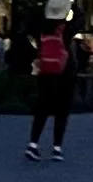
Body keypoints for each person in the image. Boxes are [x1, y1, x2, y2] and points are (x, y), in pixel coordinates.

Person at [24, 17, 77, 161]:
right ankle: (57, 148)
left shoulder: (41, 30)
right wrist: (72, 6)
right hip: (64, 74)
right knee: (62, 111)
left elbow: (28, 24)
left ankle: (33, 144)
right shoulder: (65, 30)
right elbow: (80, 20)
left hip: (45, 73)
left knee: (42, 109)